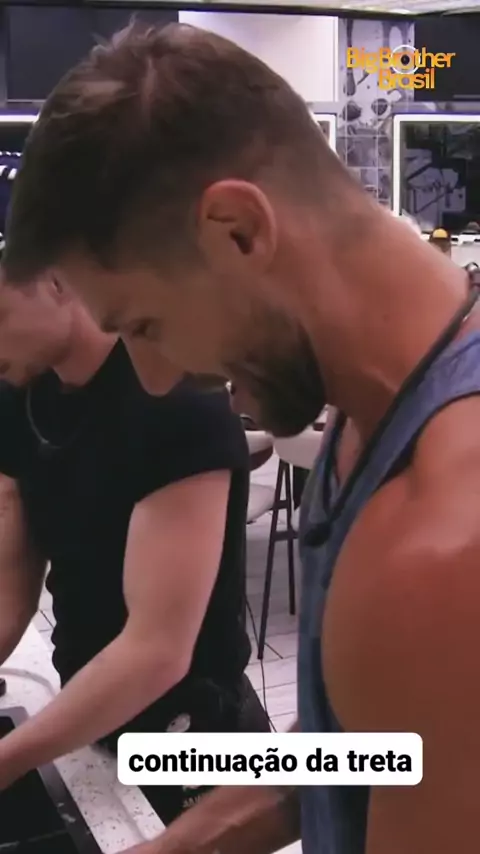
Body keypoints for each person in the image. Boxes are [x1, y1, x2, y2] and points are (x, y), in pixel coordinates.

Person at [3, 20, 480, 854]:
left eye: (145, 325)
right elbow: (365, 751)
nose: (154, 379)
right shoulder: (368, 417)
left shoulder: (443, 542)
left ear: (237, 231)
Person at [0, 160, 269, 825]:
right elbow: (8, 590)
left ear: (59, 280)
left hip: (195, 739)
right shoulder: (19, 394)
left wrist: (7, 760)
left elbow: (156, 651)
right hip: (92, 714)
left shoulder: (174, 400)